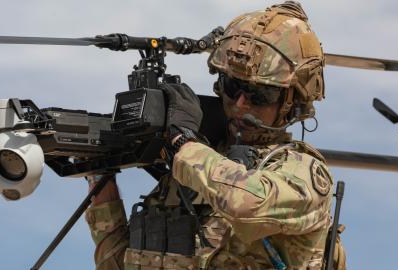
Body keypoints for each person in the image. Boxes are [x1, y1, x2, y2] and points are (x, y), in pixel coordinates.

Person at [85, 1, 346, 269]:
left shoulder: (303, 174)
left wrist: (184, 144)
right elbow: (117, 264)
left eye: (260, 94)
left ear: (293, 102)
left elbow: (245, 204)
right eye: (232, 86)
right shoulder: (191, 172)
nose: (241, 104)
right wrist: (99, 175)